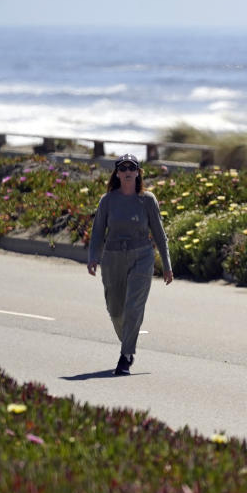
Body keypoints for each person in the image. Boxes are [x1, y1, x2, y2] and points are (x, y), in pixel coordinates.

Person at [87, 154, 173, 376]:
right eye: (122, 168)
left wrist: (167, 264)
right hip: (113, 257)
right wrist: (92, 257)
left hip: (142, 255)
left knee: (133, 306)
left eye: (131, 168)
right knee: (115, 310)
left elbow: (160, 235)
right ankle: (128, 341)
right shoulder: (107, 201)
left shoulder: (147, 199)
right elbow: (97, 232)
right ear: (117, 173)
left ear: (137, 173)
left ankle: (125, 356)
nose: (127, 171)